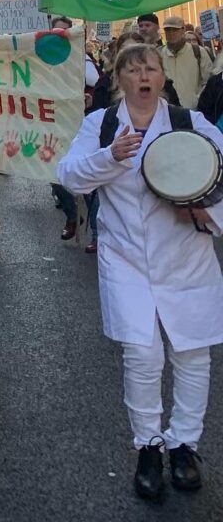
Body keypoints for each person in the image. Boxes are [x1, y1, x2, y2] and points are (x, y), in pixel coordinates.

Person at [57, 43, 223, 502]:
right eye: (134, 70)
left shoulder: (192, 124)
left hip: (186, 258)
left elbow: (221, 175)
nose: (144, 76)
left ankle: (184, 446)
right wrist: (109, 157)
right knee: (142, 357)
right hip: (126, 260)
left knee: (192, 356)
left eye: (151, 67)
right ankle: (148, 447)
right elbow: (69, 176)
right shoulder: (103, 125)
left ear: (163, 76)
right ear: (121, 79)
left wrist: (206, 213)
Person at [162, 14, 212, 109]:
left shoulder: (198, 52)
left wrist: (198, 100)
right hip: (167, 111)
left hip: (194, 110)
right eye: (167, 30)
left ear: (183, 30)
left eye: (175, 30)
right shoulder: (159, 54)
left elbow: (208, 81)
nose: (171, 33)